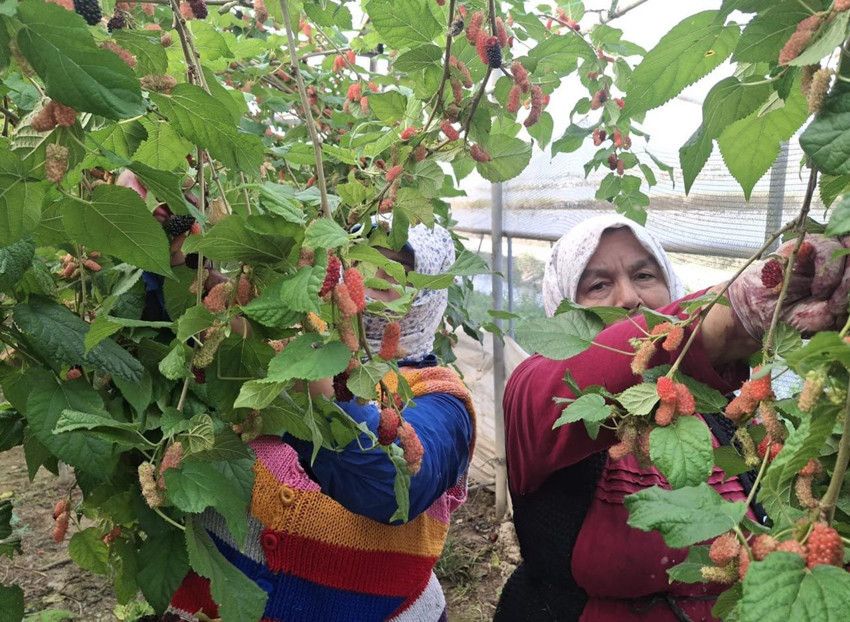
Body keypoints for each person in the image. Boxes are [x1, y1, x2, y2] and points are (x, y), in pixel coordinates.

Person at [495, 219, 850, 621]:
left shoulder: (719, 414)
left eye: (644, 275)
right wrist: (732, 313)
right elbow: (593, 371)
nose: (629, 297)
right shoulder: (541, 396)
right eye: (598, 285)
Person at [162, 222, 477, 622]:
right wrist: (180, 258)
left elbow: (394, 486)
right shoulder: (280, 331)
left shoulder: (441, 399)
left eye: (399, 266)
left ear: (428, 293)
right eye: (368, 256)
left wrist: (305, 374)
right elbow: (187, 316)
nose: (378, 274)